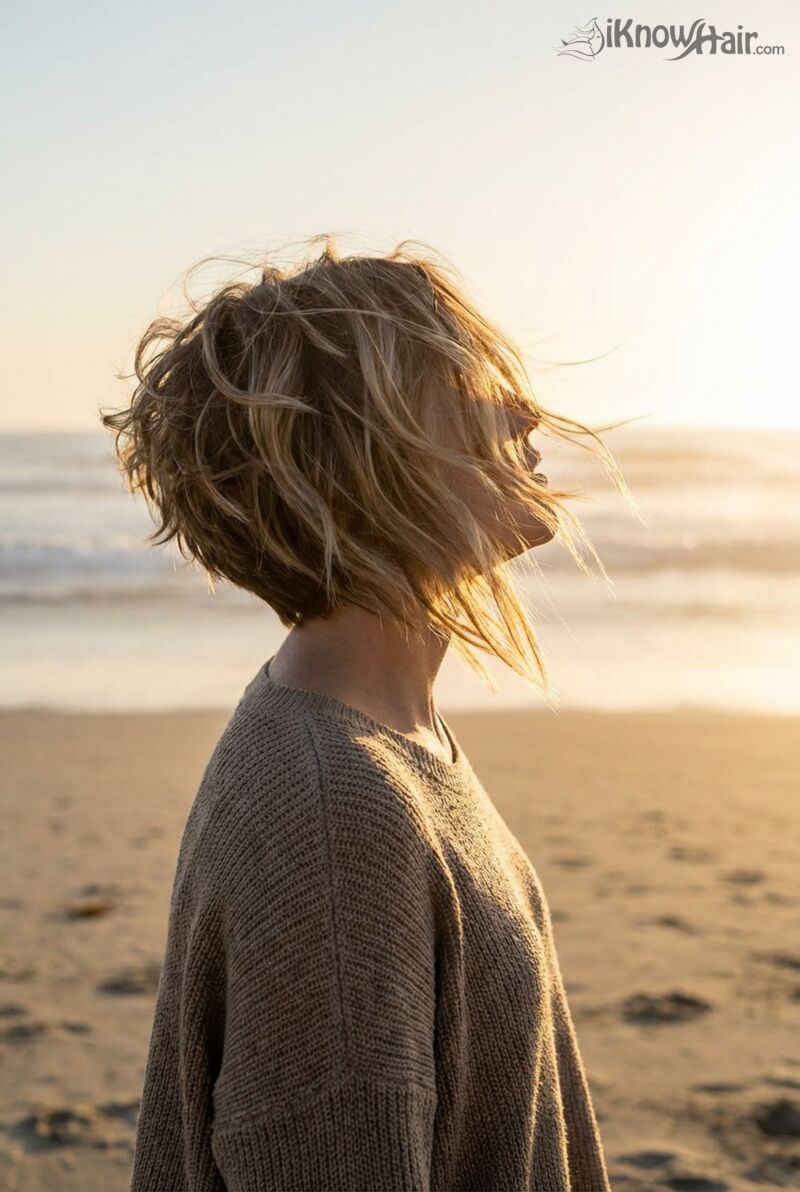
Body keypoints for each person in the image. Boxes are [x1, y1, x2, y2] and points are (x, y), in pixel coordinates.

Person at [101, 235, 635, 1191]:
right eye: (464, 382)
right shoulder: (337, 812)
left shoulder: (373, 738)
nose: (520, 407)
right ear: (360, 451)